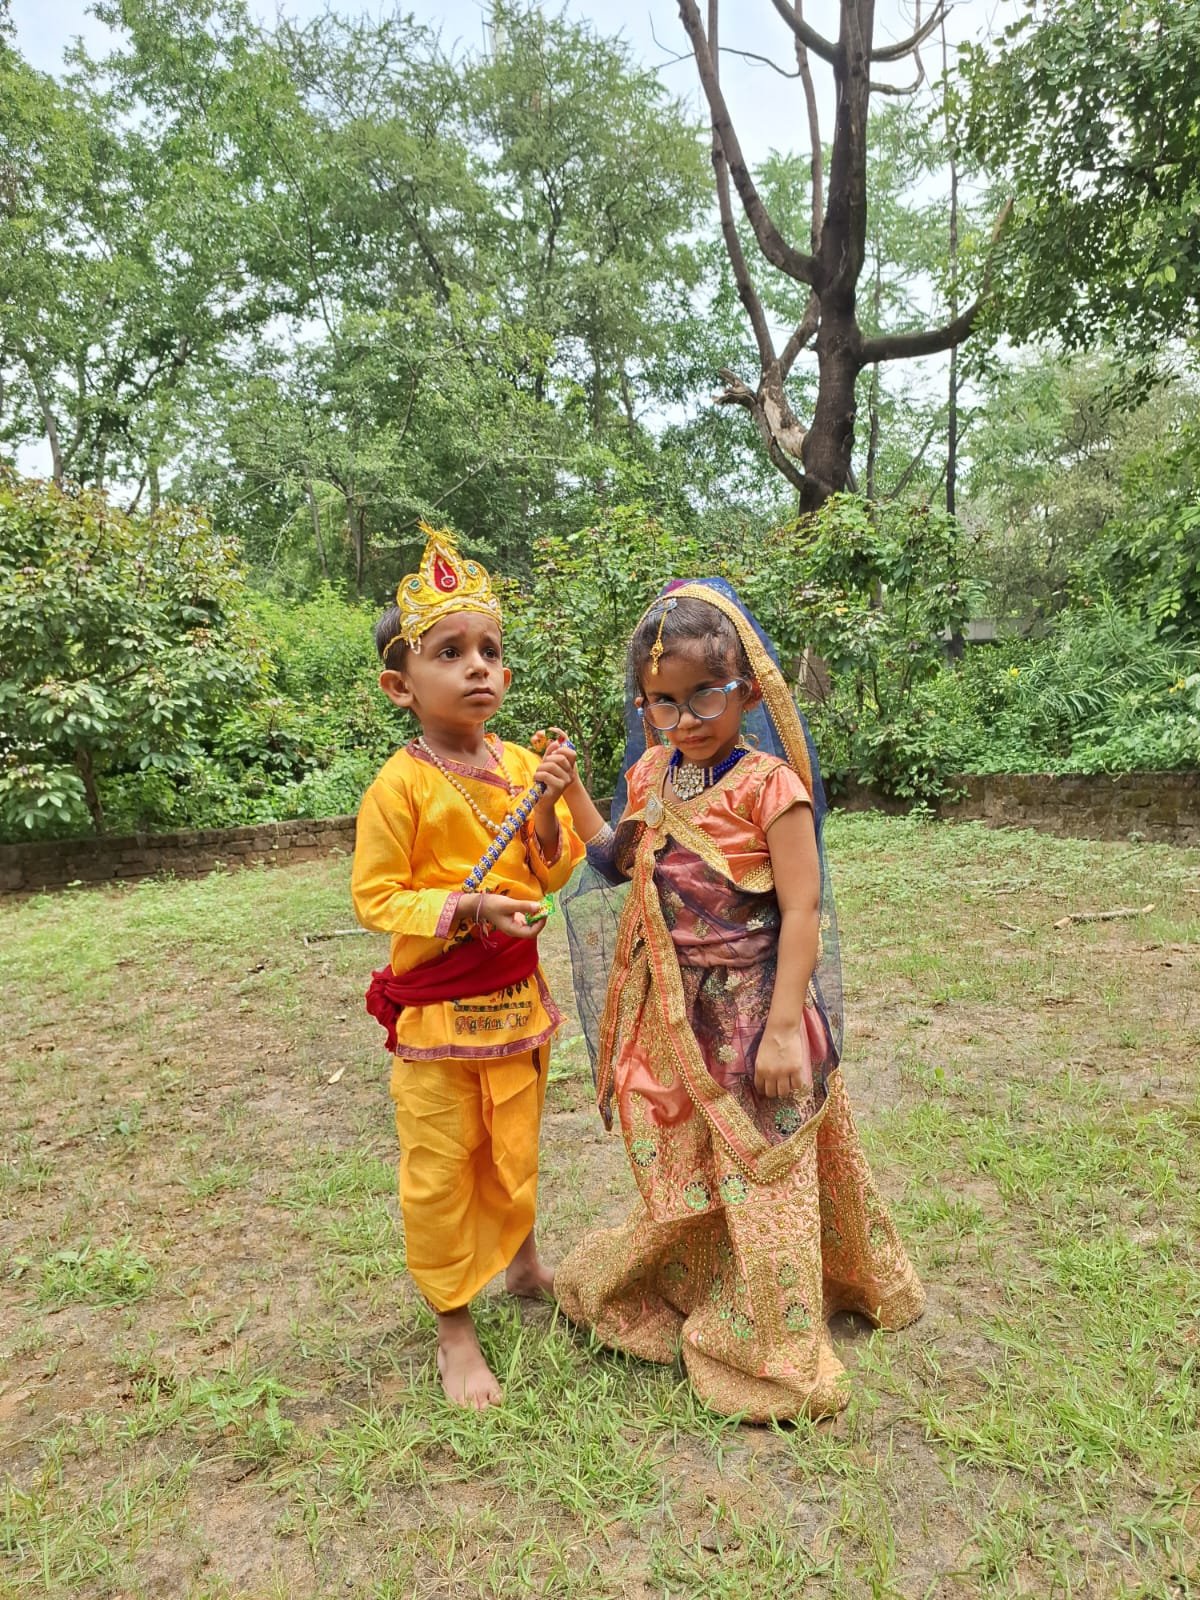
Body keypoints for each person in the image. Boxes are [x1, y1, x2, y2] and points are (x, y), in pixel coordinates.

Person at [553, 579, 925, 1420]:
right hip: (677, 1013)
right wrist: (571, 789)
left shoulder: (770, 789)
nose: (684, 718)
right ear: (643, 704)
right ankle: (708, 1284)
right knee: (696, 1168)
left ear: (748, 692)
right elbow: (618, 860)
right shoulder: (654, 771)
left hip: (758, 1010)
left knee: (769, 1172)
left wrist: (785, 1028)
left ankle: (773, 1344)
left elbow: (803, 909)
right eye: (662, 701)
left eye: (704, 695)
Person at [351, 524, 584, 1411]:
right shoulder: (399, 786)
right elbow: (377, 897)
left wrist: (551, 806)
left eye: (489, 650)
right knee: (443, 1164)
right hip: (440, 1014)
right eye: (449, 652)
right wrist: (471, 909)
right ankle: (454, 1325)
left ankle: (523, 1262)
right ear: (400, 685)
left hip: (518, 1001)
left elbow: (552, 871)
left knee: (515, 1141)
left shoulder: (520, 765)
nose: (476, 667)